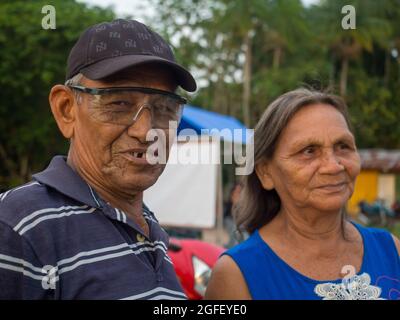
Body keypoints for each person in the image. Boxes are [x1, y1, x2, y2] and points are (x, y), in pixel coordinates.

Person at [0, 19, 196, 299]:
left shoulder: (148, 227)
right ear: (67, 109)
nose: (145, 132)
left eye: (164, 107)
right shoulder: (18, 227)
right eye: (119, 103)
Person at [205, 89, 400, 300]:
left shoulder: (391, 250)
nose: (333, 166)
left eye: (343, 146)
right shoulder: (236, 275)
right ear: (265, 173)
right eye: (308, 151)